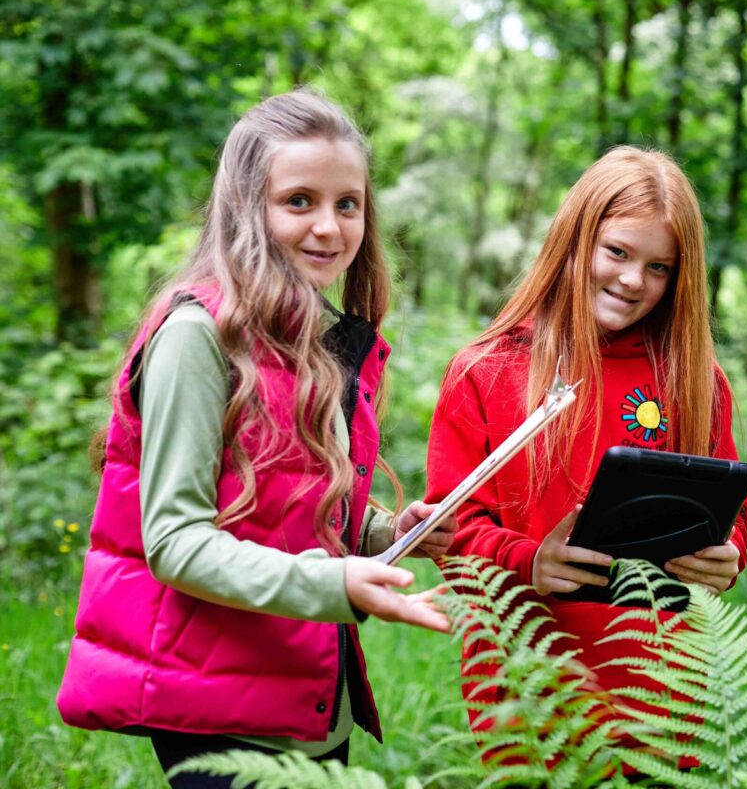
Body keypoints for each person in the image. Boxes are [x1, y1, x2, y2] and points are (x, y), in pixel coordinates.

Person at [56, 90, 456, 788]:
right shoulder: (195, 336)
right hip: (216, 701)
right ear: (247, 207)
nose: (329, 228)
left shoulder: (311, 341)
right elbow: (175, 541)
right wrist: (337, 583)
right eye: (298, 200)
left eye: (348, 204)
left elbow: (282, 503)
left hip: (303, 690)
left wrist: (390, 532)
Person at [424, 146, 747, 760]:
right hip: (530, 705)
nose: (633, 280)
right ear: (574, 241)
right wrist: (528, 562)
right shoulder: (487, 370)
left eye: (659, 267)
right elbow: (452, 533)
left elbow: (729, 512)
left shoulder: (694, 379)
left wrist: (726, 552)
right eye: (618, 252)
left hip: (666, 711)